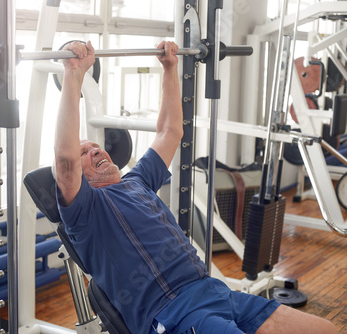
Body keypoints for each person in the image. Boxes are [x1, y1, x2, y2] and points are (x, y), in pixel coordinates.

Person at [53, 40, 338, 334]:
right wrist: (74, 74)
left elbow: (170, 131)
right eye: (84, 152)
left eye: (96, 146)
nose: (96, 151)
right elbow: (65, 160)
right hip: (175, 311)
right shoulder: (85, 210)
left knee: (326, 329)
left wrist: (170, 68)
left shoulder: (137, 180)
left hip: (216, 292)